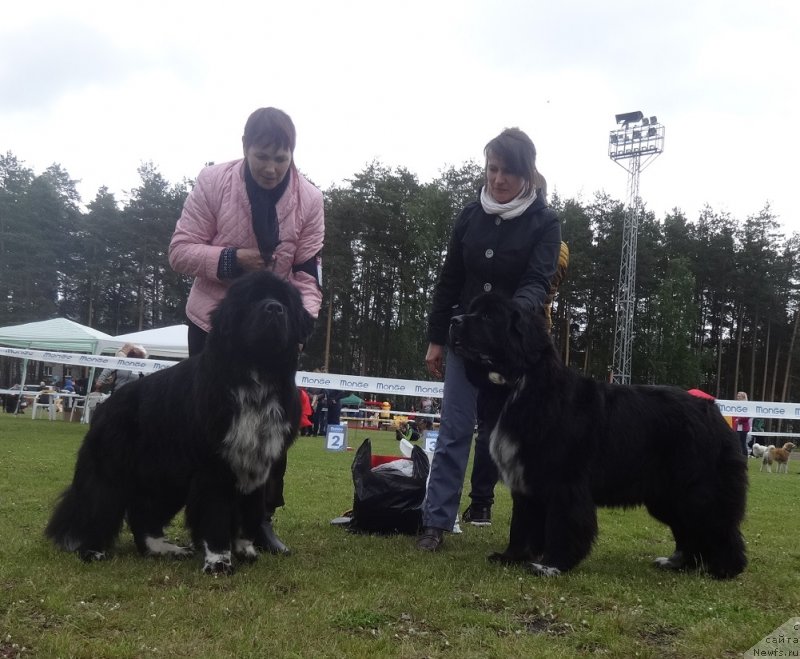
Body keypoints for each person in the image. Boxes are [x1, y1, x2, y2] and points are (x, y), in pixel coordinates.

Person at [168, 107, 324, 555]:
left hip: (277, 335)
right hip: (215, 327)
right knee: (211, 434)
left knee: (274, 428)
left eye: (281, 158)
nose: (272, 168)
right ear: (245, 148)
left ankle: (259, 521)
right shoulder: (212, 182)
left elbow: (308, 274)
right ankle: (210, 524)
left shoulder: (310, 200)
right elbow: (180, 251)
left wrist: (302, 322)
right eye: (262, 157)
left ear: (292, 154)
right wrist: (231, 259)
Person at [417, 127, 561, 551]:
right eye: (492, 169)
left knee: (517, 435)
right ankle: (435, 522)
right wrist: (437, 337)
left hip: (518, 348)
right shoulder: (469, 215)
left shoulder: (545, 222)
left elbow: (538, 281)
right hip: (465, 340)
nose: (497, 179)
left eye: (507, 172)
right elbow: (450, 280)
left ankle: (524, 530)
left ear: (527, 174)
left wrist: (509, 317)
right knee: (455, 429)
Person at [731, 391, 751, 457]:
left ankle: (745, 457)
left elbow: (747, 417)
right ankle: (739, 456)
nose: (738, 397)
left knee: (742, 443)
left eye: (739, 396)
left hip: (743, 428)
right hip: (737, 427)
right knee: (738, 443)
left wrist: (739, 419)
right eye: (737, 396)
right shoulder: (737, 405)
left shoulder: (746, 405)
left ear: (743, 397)